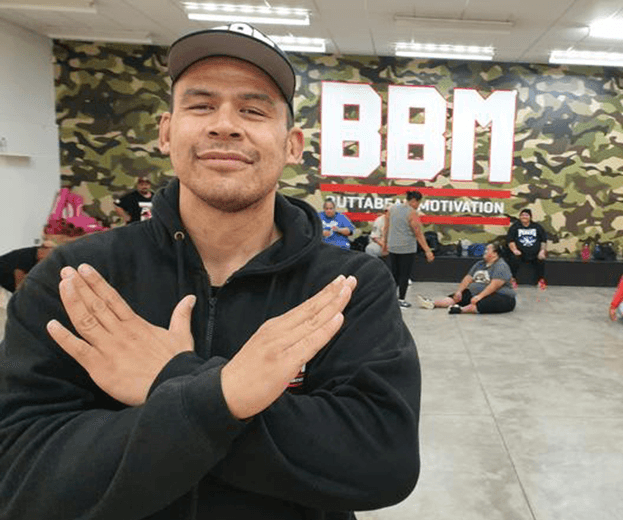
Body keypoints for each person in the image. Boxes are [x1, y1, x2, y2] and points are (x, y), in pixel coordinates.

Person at [0, 23, 420, 520]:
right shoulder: (78, 280)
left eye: (253, 109)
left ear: (292, 144)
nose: (225, 125)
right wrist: (227, 396)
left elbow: (380, 463)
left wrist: (171, 380)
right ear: (165, 131)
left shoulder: (349, 288)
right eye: (200, 105)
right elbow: (22, 480)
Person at [416, 242, 516, 314]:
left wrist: (479, 297)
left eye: (487, 250)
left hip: (501, 296)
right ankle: (432, 303)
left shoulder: (501, 266)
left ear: (495, 253)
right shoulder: (479, 264)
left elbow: (494, 286)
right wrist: (459, 291)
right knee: (457, 297)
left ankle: (460, 310)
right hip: (476, 293)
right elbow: (468, 278)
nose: (484, 251)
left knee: (483, 303)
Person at [382, 190, 434, 308]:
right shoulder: (412, 213)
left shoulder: (392, 209)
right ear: (414, 201)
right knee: (404, 275)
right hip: (406, 248)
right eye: (419, 202)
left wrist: (385, 245)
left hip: (393, 246)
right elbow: (418, 233)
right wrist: (427, 250)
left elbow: (386, 228)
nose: (418, 205)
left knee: (394, 274)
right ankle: (401, 299)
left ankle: (391, 299)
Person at [505, 208, 547, 290]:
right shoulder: (515, 227)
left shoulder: (537, 227)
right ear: (520, 217)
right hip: (520, 253)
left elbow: (543, 241)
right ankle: (512, 279)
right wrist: (514, 250)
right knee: (513, 259)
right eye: (522, 215)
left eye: (526, 215)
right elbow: (510, 240)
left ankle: (541, 280)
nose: (524, 216)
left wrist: (542, 251)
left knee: (541, 259)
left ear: (530, 217)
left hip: (534, 253)